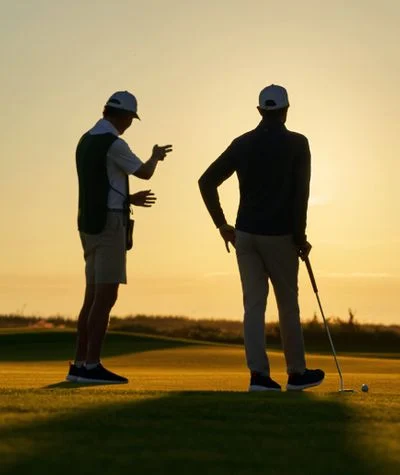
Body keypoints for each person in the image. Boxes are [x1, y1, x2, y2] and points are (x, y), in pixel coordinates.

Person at [198, 84, 324, 391]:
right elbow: (300, 196)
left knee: (253, 306)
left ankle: (259, 376)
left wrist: (222, 225)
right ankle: (296, 373)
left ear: (259, 111)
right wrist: (300, 236)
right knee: (287, 305)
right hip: (279, 236)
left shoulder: (242, 143)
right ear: (285, 110)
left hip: (245, 235)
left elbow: (206, 181)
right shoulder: (297, 143)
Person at [67, 90, 172, 384]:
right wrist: (155, 156)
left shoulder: (85, 140)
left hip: (88, 224)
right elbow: (144, 172)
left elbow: (104, 184)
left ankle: (79, 364)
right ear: (123, 116)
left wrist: (128, 199)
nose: (129, 125)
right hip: (109, 225)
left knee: (91, 298)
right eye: (130, 119)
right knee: (106, 297)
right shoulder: (114, 143)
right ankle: (91, 365)